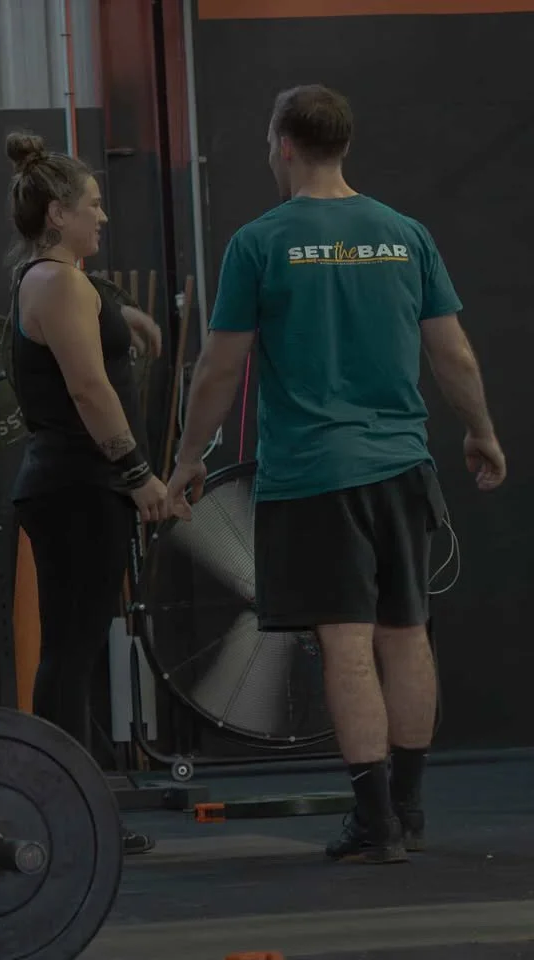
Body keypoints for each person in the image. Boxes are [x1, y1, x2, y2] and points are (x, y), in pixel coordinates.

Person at [166, 85, 507, 864]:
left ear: (283, 144)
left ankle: (375, 821)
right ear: (341, 144)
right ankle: (410, 807)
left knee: (348, 646)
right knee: (405, 635)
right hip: (399, 467)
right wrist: (481, 432)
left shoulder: (260, 242)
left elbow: (220, 367)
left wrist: (189, 458)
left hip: (316, 474)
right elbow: (450, 352)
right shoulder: (403, 234)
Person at [5, 130, 172, 855]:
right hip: (79, 484)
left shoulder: (62, 280)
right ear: (55, 215)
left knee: (73, 650)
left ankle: (72, 810)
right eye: (93, 206)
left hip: (75, 485)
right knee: (69, 653)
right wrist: (140, 476)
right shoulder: (57, 283)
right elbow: (87, 387)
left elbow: (84, 328)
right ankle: (71, 817)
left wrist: (120, 314)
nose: (103, 217)